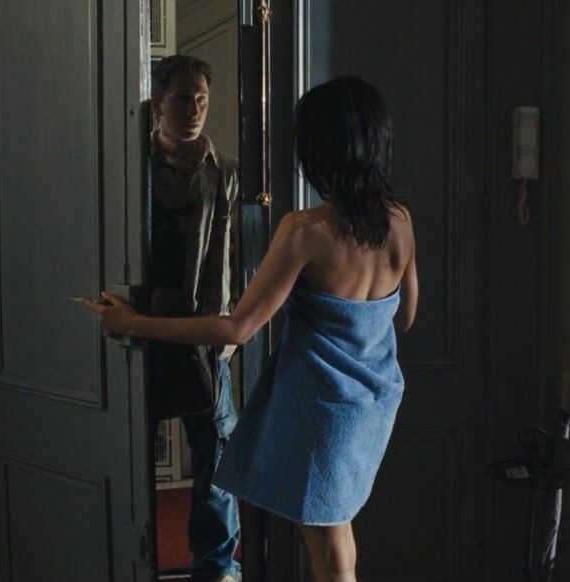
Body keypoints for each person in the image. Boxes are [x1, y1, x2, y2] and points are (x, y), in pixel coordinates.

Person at [84, 75, 418, 582]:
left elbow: (238, 328)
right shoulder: (400, 221)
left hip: (322, 411)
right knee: (339, 537)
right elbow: (406, 315)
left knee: (329, 556)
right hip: (372, 407)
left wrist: (136, 323)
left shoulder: (305, 231)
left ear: (319, 149)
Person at [147, 54, 241, 582]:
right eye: (184, 97)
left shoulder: (223, 170)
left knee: (217, 456)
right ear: (159, 103)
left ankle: (217, 567)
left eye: (202, 98)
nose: (195, 108)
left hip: (206, 334)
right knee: (131, 447)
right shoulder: (134, 168)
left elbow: (238, 252)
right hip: (144, 330)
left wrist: (233, 323)